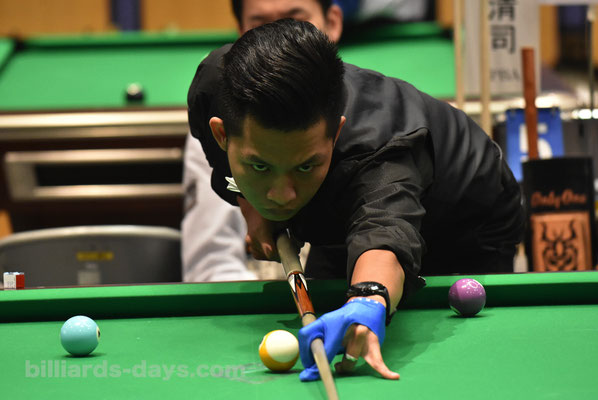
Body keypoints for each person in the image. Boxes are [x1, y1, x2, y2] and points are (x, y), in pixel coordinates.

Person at [187, 19, 524, 380]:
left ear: (336, 133)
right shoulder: (215, 89)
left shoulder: (380, 155)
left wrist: (368, 299)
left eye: (305, 166)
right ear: (222, 134)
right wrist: (253, 209)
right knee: (334, 317)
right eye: (260, 166)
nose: (282, 195)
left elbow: (385, 231)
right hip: (349, 203)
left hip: (467, 220)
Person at [181, 0, 343, 281]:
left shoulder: (368, 123)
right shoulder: (224, 125)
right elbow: (211, 266)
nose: (278, 37)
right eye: (260, 25)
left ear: (332, 23)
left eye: (296, 21)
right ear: (241, 34)